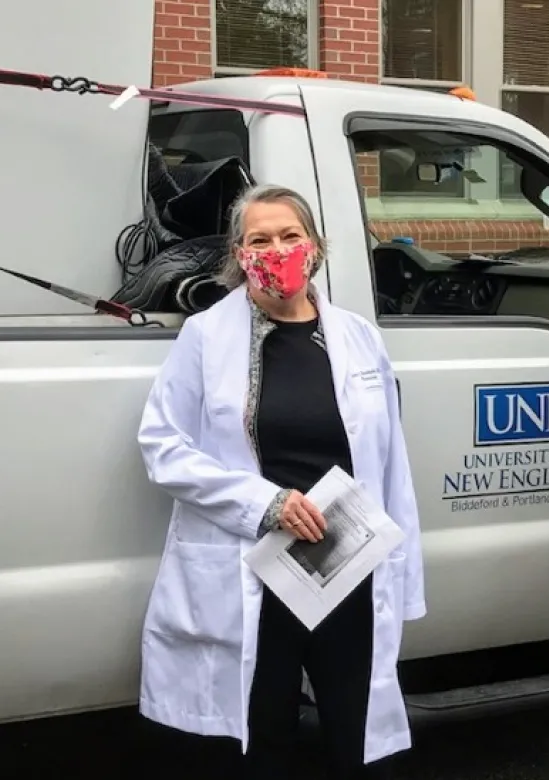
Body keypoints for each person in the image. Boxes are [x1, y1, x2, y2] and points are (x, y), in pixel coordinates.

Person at [135, 183, 426, 779]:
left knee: (358, 734)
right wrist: (265, 503)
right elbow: (162, 445)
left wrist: (403, 574)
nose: (276, 250)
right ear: (238, 255)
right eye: (258, 240)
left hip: (345, 559)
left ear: (315, 246)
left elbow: (392, 464)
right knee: (262, 736)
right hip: (257, 565)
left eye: (290, 236)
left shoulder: (357, 336)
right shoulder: (205, 337)